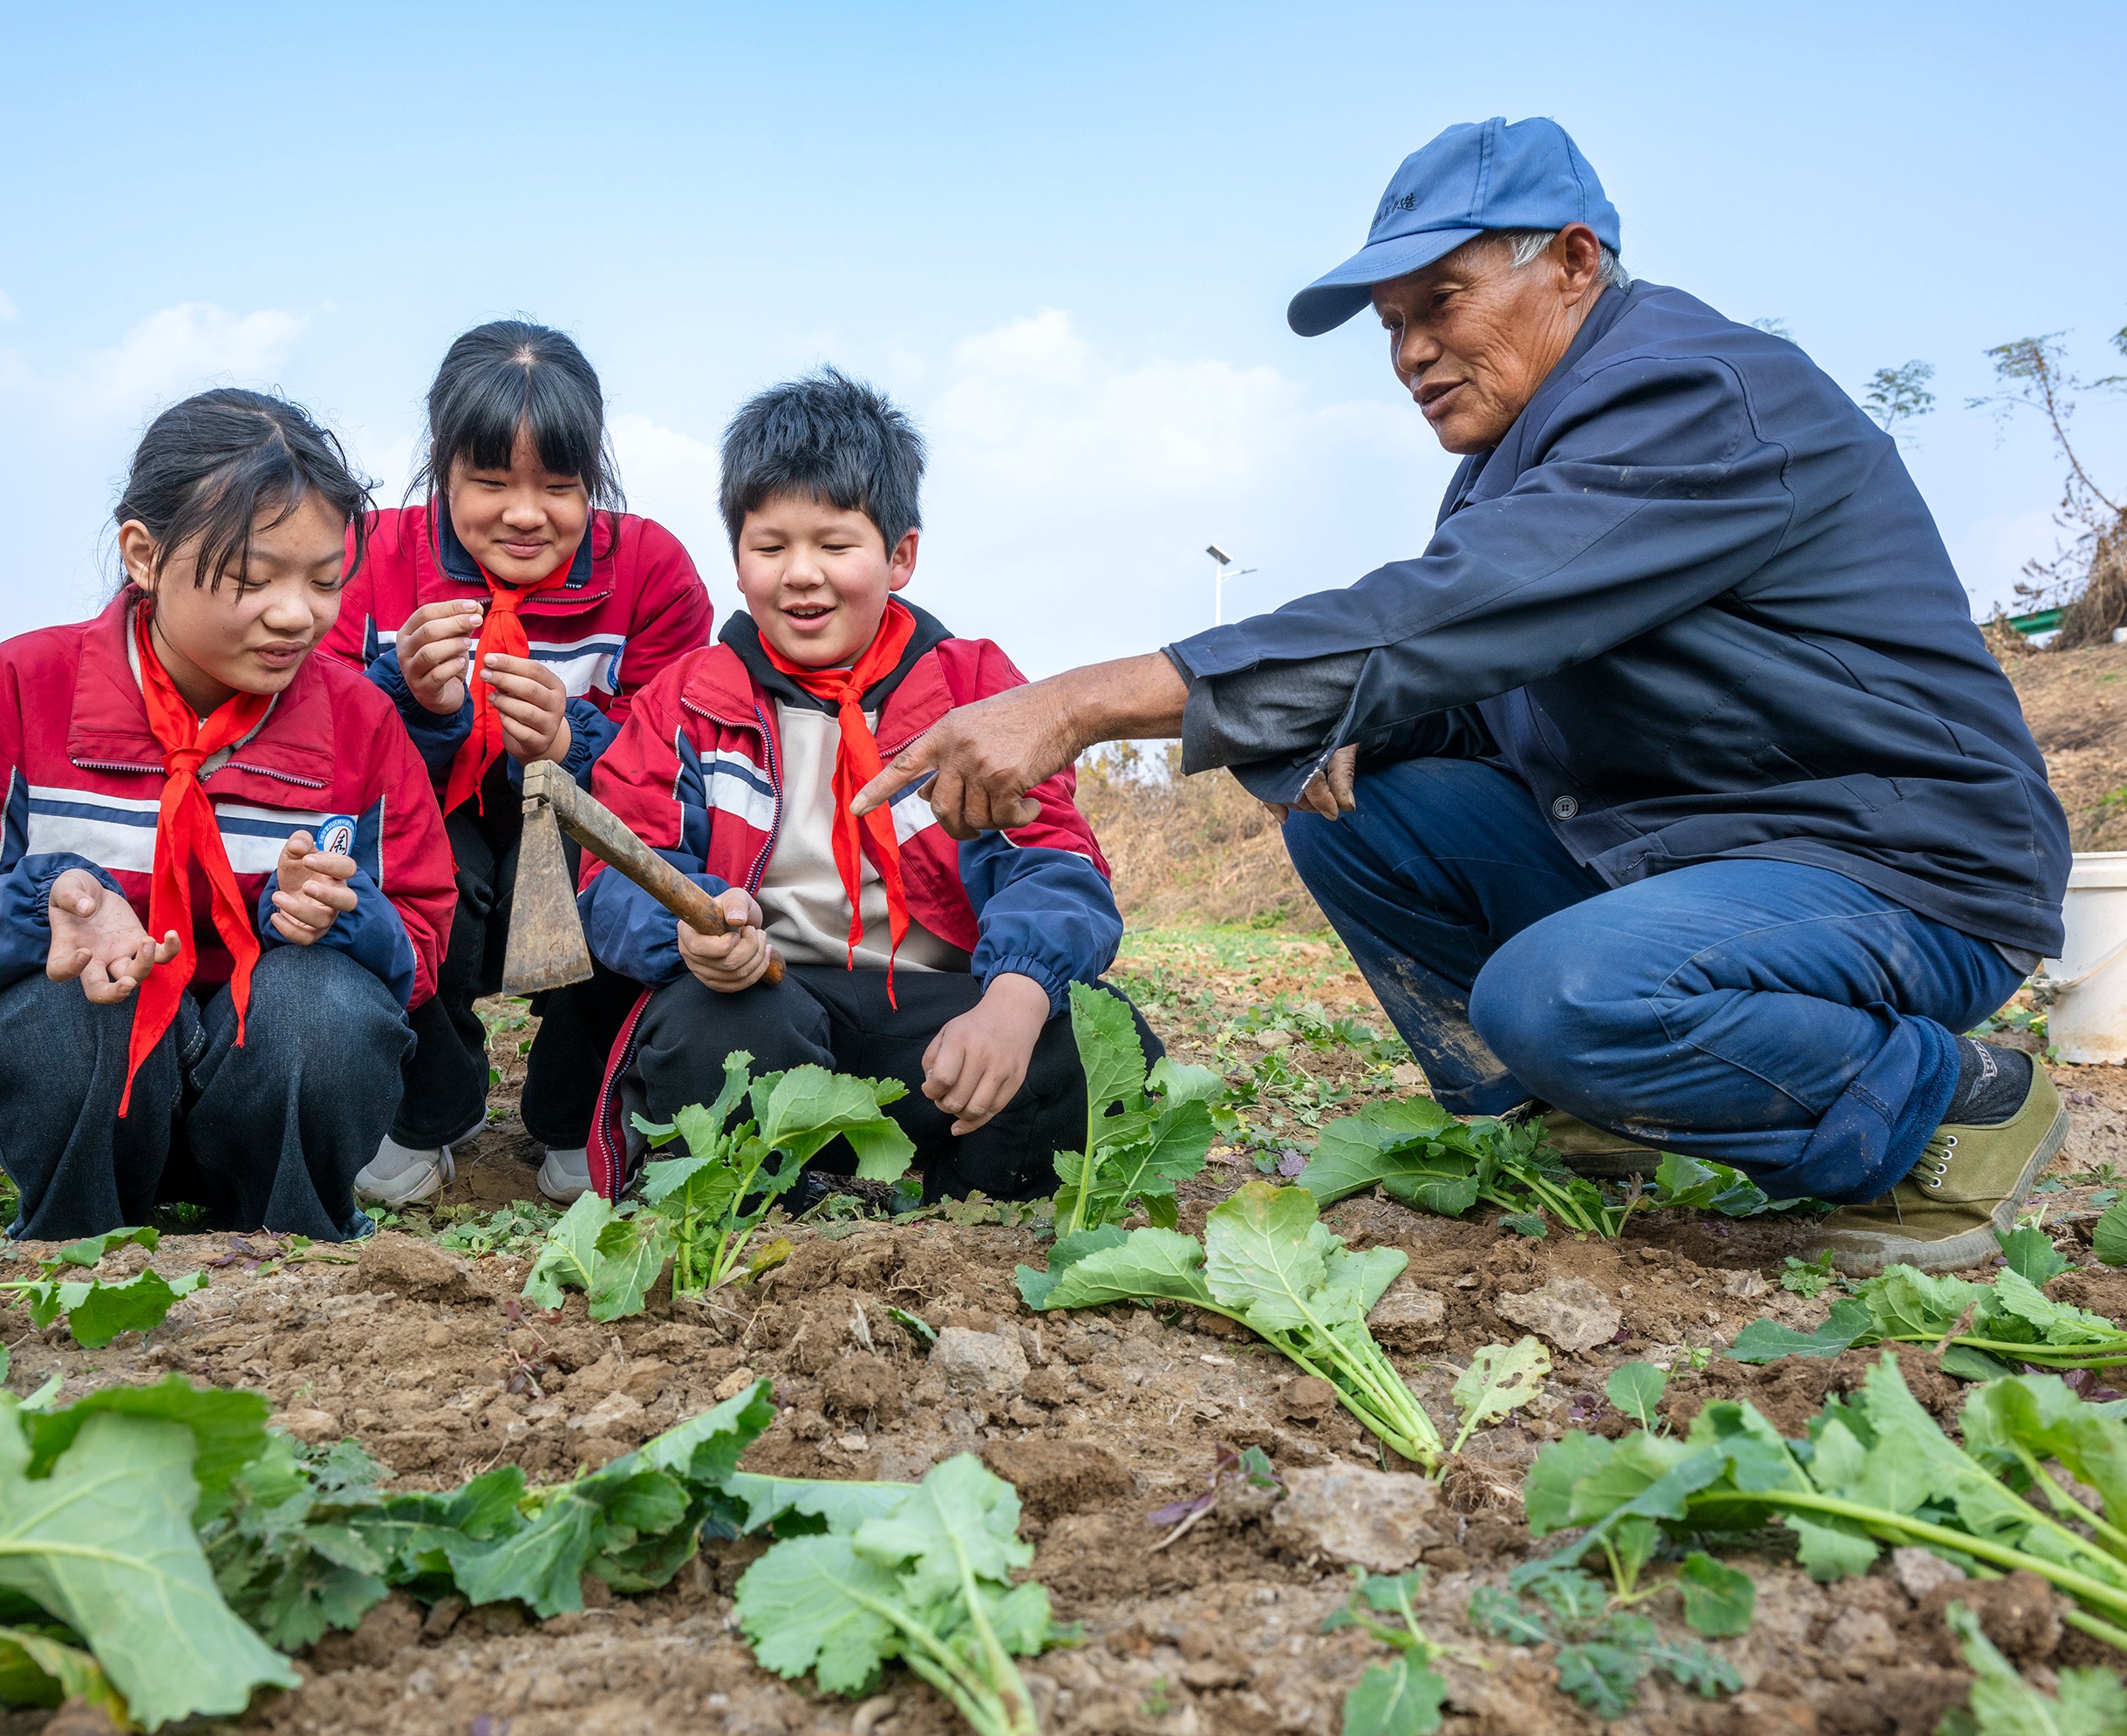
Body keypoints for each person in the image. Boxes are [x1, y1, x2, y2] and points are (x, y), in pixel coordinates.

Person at [856, 116, 2069, 1276]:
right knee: (1362, 815)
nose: (1410, 354)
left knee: (1561, 997)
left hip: (1894, 869)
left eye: (1441, 302)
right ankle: (1575, 1121)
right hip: (1697, 856)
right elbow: (1486, 685)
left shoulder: (1690, 393)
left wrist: (1077, 703)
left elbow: (1453, 610)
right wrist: (1360, 725)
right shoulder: (1513, 459)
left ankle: (1949, 1106)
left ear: (1576, 263)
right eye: (1393, 324)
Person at [0, 390, 458, 1242]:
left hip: (270, 1083)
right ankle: (78, 1238)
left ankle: (294, 1240)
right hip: (94, 1085)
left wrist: (344, 916)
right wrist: (43, 907)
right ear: (144, 556)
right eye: (253, 579)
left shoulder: (359, 722)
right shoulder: (21, 690)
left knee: (321, 1003)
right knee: (73, 999)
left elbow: (421, 938)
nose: (297, 613)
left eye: (326, 580)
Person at [576, 370, 1152, 1203]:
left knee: (1096, 1045)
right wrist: (690, 926)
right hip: (766, 996)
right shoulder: (687, 697)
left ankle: (957, 1200)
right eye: (770, 547)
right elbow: (618, 867)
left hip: (937, 1014)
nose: (800, 574)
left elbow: (1056, 861)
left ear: (900, 556)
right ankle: (773, 1194)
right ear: (737, 562)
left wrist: (1014, 1001)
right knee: (709, 1033)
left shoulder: (976, 691)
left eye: (835, 546)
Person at [323, 321, 712, 1209]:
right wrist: (405, 702)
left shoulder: (650, 570)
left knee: (611, 857)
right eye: (491, 483)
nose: (526, 514)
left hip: (568, 833)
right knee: (403, 859)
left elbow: (683, 744)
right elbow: (317, 739)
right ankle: (429, 1101)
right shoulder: (364, 558)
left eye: (559, 487)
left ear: (594, 477)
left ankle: (577, 1109)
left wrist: (574, 743)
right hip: (433, 823)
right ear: (442, 467)